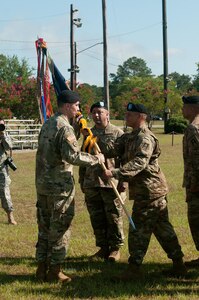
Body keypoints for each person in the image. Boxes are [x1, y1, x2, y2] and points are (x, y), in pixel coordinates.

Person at [102, 102, 187, 279]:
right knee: (163, 229)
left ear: (142, 116)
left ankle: (134, 268)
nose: (126, 117)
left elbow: (140, 162)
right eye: (125, 114)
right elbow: (113, 149)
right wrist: (90, 140)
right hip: (146, 190)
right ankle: (179, 264)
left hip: (150, 191)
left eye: (130, 115)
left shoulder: (145, 138)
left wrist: (116, 173)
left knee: (138, 230)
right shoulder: (129, 137)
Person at [35, 90, 105, 283]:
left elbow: (56, 149)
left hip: (43, 185)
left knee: (44, 228)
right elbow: (72, 156)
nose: (78, 109)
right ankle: (55, 271)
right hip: (59, 188)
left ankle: (41, 268)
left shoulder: (49, 123)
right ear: (67, 106)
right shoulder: (64, 128)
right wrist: (95, 159)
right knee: (60, 228)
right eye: (77, 106)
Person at [79, 101, 126, 262]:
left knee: (113, 216)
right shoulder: (88, 134)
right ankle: (103, 247)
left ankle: (115, 248)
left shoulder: (118, 133)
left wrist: (123, 181)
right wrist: (81, 180)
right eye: (94, 113)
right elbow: (83, 157)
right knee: (96, 217)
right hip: (92, 182)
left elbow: (125, 159)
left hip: (110, 182)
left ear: (107, 114)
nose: (97, 116)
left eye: (100, 112)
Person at [182, 95, 199, 267]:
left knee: (196, 220)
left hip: (197, 184)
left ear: (194, 108)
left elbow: (197, 159)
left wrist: (194, 184)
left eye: (185, 106)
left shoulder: (194, 128)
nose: (182, 109)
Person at [0, 118, 17, 225]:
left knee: (5, 193)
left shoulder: (4, 135)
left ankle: (10, 217)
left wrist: (3, 135)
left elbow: (9, 146)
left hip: (1, 168)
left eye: (2, 125)